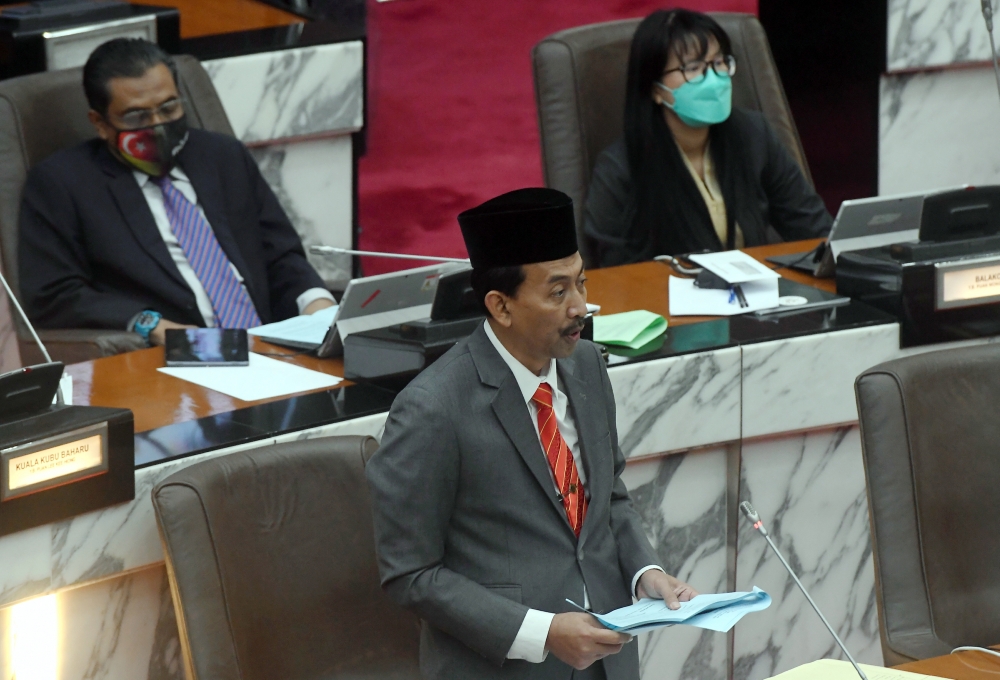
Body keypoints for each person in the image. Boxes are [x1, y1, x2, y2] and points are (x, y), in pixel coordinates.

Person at [366, 187, 697, 680]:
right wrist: (542, 633)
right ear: (501, 306)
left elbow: (610, 498)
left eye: (582, 283)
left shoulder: (585, 364)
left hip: (609, 660)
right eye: (559, 292)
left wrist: (645, 572)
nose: (581, 307)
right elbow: (411, 575)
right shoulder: (431, 409)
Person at [18, 38, 334, 346]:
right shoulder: (63, 183)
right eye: (137, 116)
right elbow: (54, 295)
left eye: (168, 108)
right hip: (178, 359)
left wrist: (317, 306)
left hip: (271, 349)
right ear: (100, 123)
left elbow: (280, 255)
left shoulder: (222, 155)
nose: (157, 126)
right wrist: (149, 324)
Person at [584, 9, 832, 267]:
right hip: (666, 302)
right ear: (656, 90)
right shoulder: (620, 168)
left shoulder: (754, 135)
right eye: (693, 68)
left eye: (718, 63)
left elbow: (816, 231)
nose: (713, 79)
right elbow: (616, 276)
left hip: (759, 298)